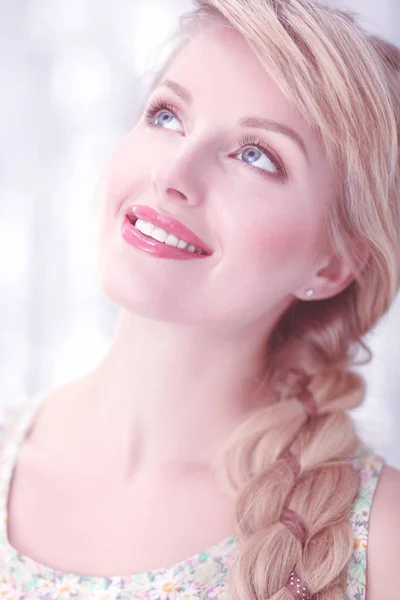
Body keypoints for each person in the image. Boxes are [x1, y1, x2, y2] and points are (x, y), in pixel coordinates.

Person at [1, 0, 399, 598]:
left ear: (333, 264)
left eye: (256, 156)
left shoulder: (379, 543)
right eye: (167, 116)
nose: (173, 173)